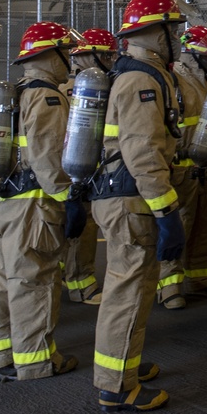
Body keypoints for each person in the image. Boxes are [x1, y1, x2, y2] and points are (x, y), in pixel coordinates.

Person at [90, 0, 187, 412]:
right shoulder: (140, 81)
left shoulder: (139, 74)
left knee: (133, 288)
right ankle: (116, 386)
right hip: (133, 199)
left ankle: (122, 367)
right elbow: (144, 153)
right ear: (155, 32)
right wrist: (167, 213)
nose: (178, 36)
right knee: (127, 291)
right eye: (173, 28)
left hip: (128, 197)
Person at [0, 21, 78, 382]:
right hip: (34, 206)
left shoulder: (18, 93)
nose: (69, 58)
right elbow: (47, 155)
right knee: (34, 283)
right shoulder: (46, 97)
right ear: (50, 55)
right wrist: (67, 198)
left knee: (6, 283)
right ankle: (35, 362)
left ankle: (5, 354)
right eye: (65, 51)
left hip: (7, 202)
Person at [157, 25, 207, 309]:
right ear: (193, 55)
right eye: (206, 57)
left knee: (204, 225)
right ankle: (169, 284)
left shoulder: (203, 82)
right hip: (181, 168)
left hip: (204, 167)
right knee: (179, 226)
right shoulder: (175, 80)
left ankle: (199, 276)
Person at [61, 28, 118, 306]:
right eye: (106, 55)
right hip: (82, 167)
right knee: (83, 229)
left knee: (69, 228)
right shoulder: (92, 89)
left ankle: (67, 275)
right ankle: (81, 284)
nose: (110, 60)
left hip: (66, 168)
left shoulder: (61, 87)